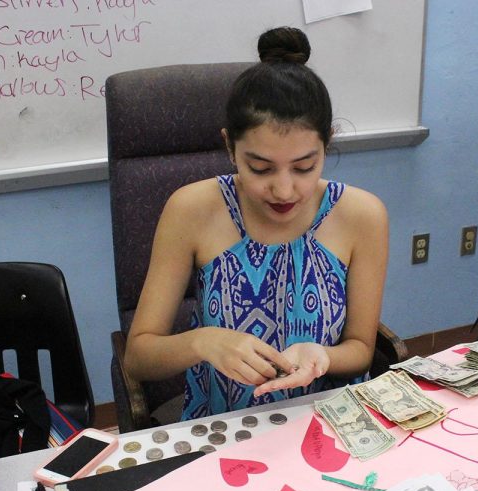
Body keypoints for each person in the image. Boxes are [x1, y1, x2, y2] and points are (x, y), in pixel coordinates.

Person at [123, 26, 389, 420]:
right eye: (260, 168)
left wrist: (323, 357)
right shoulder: (192, 209)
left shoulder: (362, 215)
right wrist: (203, 342)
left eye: (304, 166)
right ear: (230, 146)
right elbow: (138, 358)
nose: (284, 190)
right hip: (225, 426)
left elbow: (360, 350)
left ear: (327, 143)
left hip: (325, 424)